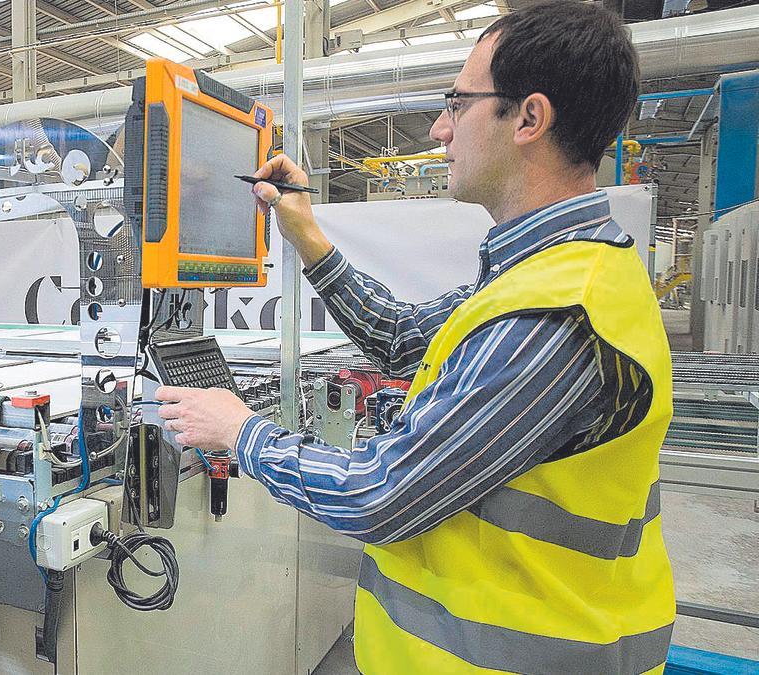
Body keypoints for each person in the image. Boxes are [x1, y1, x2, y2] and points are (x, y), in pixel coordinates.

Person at [156, 2, 676, 672]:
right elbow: (400, 336)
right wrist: (307, 235)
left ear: (529, 118)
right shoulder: (559, 273)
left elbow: (380, 493)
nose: (439, 129)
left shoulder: (553, 316)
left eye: (457, 104)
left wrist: (239, 431)